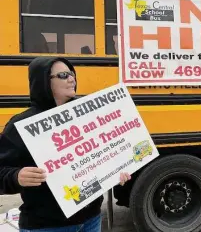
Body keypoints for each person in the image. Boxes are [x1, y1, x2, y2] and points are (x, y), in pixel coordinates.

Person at [0, 57, 131, 231]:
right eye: (63, 75)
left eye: (72, 74)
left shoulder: (89, 116)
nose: (72, 79)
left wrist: (116, 171)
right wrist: (16, 176)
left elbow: (101, 156)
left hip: (91, 219)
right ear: (44, 81)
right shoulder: (20, 126)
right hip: (46, 226)